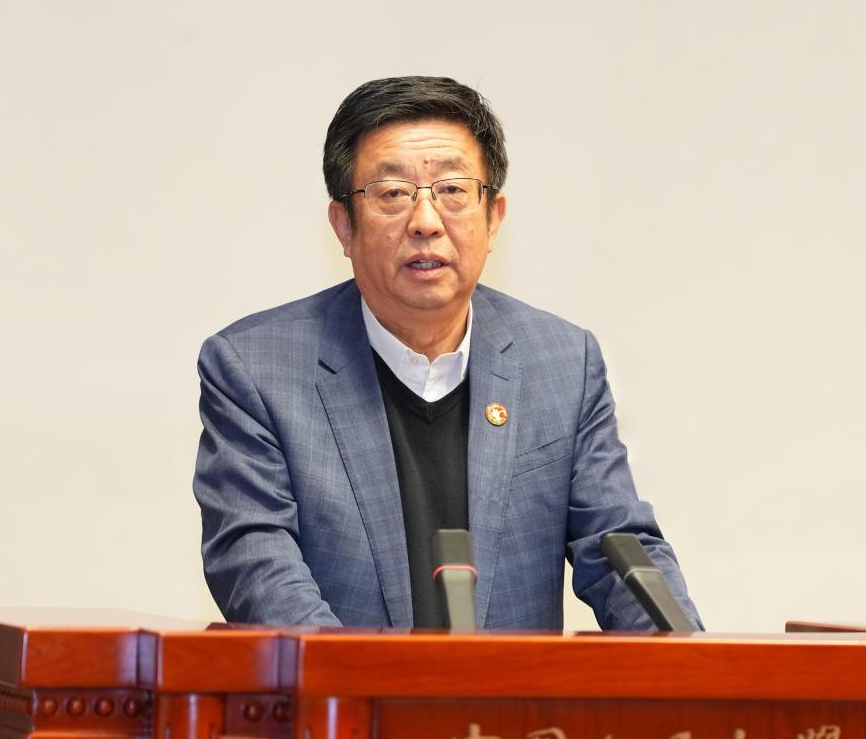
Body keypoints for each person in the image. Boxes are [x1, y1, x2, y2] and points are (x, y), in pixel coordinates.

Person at [193, 76, 698, 630]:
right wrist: (359, 678)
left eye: (453, 190)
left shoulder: (561, 363)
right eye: (392, 193)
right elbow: (257, 563)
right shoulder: (255, 369)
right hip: (345, 687)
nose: (426, 222)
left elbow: (619, 546)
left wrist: (689, 660)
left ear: (493, 218)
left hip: (511, 693)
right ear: (343, 226)